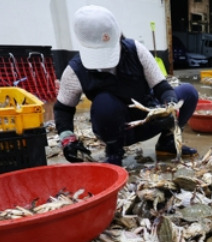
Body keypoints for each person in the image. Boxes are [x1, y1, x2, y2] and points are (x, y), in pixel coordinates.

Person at [54, 5, 199, 166]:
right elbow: (63, 109)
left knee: (188, 92)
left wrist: (170, 106)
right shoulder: (75, 70)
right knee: (104, 103)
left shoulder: (136, 51)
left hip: (148, 120)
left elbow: (161, 86)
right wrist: (67, 139)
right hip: (114, 129)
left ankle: (168, 142)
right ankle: (114, 154)